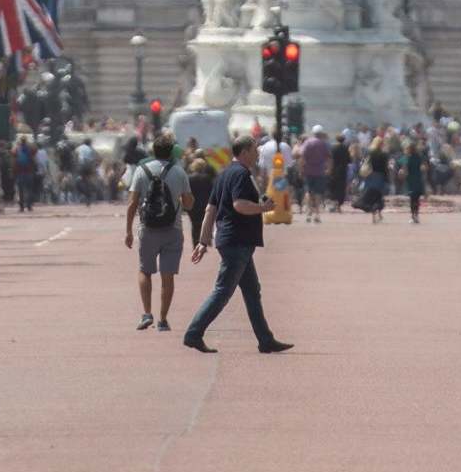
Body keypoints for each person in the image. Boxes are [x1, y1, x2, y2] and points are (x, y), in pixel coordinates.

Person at [181, 135, 290, 355]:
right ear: (244, 152)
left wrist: (203, 241)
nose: (258, 153)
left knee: (251, 291)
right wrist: (263, 208)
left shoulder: (223, 175)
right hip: (237, 241)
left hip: (234, 241)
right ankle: (194, 333)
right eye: (254, 150)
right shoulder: (241, 174)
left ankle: (265, 339)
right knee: (223, 290)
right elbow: (239, 205)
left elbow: (210, 210)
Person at [123, 132, 194, 333]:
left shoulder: (141, 171)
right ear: (171, 152)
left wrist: (128, 231)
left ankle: (147, 313)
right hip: (173, 228)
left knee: (145, 270)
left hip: (148, 228)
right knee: (167, 275)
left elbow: (132, 203)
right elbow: (189, 203)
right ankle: (163, 320)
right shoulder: (179, 172)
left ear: (153, 151)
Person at [296, 127, 330, 223]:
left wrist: (300, 169)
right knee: (318, 193)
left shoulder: (308, 142)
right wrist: (329, 169)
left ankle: (308, 213)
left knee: (308, 192)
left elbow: (301, 156)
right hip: (319, 171)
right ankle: (317, 214)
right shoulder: (323, 144)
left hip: (308, 171)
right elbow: (328, 157)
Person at [403, 137, 428, 224]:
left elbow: (405, 169)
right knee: (416, 199)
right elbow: (424, 167)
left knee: (412, 199)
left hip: (411, 180)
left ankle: (413, 216)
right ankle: (416, 215)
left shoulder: (408, 158)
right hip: (418, 179)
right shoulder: (419, 157)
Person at [326, 131, 351, 214]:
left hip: (334, 170)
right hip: (343, 170)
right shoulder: (346, 148)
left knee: (333, 187)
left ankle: (334, 203)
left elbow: (330, 159)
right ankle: (339, 205)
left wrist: (329, 169)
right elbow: (349, 160)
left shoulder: (333, 148)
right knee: (341, 188)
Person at [13, 135, 39, 212]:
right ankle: (29, 206)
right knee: (29, 190)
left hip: (19, 172)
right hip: (29, 172)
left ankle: (21, 207)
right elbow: (35, 150)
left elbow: (13, 156)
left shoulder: (17, 149)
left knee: (20, 190)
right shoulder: (30, 149)